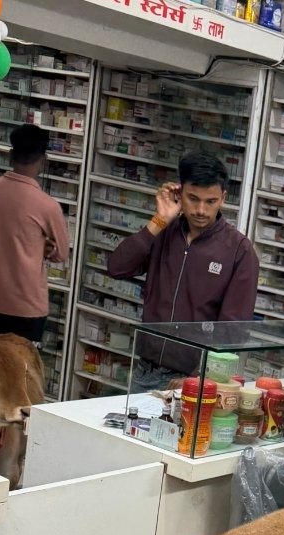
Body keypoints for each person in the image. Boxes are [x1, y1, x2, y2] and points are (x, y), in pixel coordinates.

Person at [107, 149, 260, 387]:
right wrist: (159, 220)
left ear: (223, 198)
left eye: (210, 201)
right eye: (193, 198)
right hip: (144, 372)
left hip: (192, 381)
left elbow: (233, 331)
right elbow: (117, 267)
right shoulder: (163, 232)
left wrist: (198, 379)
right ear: (179, 194)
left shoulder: (239, 250)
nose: (201, 210)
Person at [0, 123, 69, 344]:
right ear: (43, 160)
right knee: (21, 367)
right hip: (28, 307)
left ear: (10, 154)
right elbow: (61, 254)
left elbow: (8, 232)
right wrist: (44, 246)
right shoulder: (48, 206)